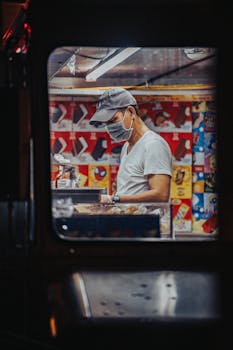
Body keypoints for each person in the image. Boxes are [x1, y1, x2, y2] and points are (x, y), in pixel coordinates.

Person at [89, 87, 172, 203]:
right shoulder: (126, 147)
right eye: (106, 123)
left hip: (147, 220)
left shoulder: (153, 145)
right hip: (130, 219)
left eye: (113, 120)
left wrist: (114, 199)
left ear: (131, 112)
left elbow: (161, 194)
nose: (109, 127)